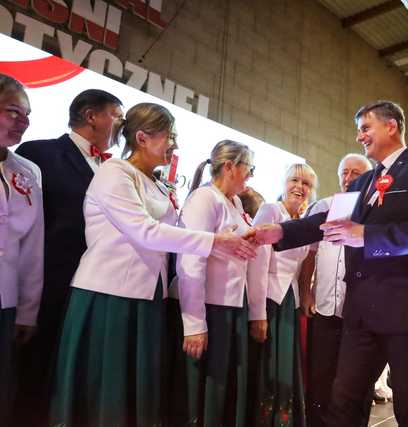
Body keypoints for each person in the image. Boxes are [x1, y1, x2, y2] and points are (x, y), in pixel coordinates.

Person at [49, 103, 257, 427]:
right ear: (143, 138)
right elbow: (146, 232)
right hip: (109, 295)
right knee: (107, 390)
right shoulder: (115, 172)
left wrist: (222, 238)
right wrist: (215, 240)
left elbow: (178, 235)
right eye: (169, 135)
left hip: (146, 298)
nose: (174, 144)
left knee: (137, 393)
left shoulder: (157, 184)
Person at [254, 100, 408, 427]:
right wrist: (279, 232)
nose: (359, 136)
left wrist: (367, 235)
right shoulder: (361, 184)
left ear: (391, 126)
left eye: (365, 128)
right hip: (361, 313)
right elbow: (326, 220)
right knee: (343, 401)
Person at [14, 89, 124, 424]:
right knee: (31, 373)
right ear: (91, 116)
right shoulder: (39, 154)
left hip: (90, 289)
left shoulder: (114, 169)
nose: (122, 123)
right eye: (117, 115)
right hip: (46, 287)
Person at [170, 140, 258, 426]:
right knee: (202, 389)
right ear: (230, 167)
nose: (251, 176)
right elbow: (189, 261)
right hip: (208, 308)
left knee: (223, 388)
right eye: (250, 168)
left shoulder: (233, 202)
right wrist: (195, 324)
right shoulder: (204, 199)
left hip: (231, 307)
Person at [297, 153, 372, 427]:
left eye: (356, 173)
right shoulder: (323, 206)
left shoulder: (376, 211)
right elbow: (308, 254)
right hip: (325, 309)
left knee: (357, 382)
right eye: (345, 172)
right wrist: (306, 292)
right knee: (321, 379)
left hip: (360, 315)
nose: (349, 178)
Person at [248, 163, 318, 427]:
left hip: (289, 303)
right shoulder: (270, 210)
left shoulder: (303, 222)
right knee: (268, 367)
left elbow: (305, 267)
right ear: (283, 183)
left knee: (286, 367)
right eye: (294, 181)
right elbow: (255, 261)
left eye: (306, 184)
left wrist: (305, 295)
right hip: (267, 300)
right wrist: (258, 314)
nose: (299, 187)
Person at [0, 74, 43, 419]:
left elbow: (32, 246)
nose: (23, 122)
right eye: (14, 112)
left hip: (5, 303)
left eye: (27, 115)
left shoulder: (27, 171)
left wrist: (27, 310)